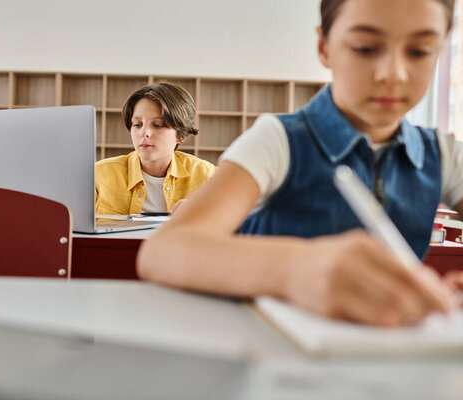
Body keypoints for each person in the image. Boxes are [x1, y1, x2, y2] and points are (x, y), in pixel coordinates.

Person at [138, 0, 463, 327]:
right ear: (324, 46)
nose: (393, 74)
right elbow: (163, 253)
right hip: (273, 352)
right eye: (365, 48)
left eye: (420, 51)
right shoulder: (277, 140)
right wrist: (295, 269)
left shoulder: (444, 154)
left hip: (389, 357)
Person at [95, 82, 216, 215]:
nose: (144, 133)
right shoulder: (97, 175)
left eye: (157, 125)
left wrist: (207, 208)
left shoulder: (209, 176)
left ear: (181, 135)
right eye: (137, 124)